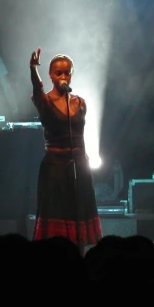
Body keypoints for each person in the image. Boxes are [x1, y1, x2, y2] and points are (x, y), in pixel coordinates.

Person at [28, 47, 101, 253]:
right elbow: (37, 89)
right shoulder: (45, 101)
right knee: (56, 214)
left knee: (78, 214)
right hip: (55, 167)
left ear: (71, 74)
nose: (63, 76)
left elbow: (81, 134)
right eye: (58, 72)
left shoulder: (80, 102)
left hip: (79, 164)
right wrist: (33, 69)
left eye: (66, 72)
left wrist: (84, 162)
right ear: (50, 75)